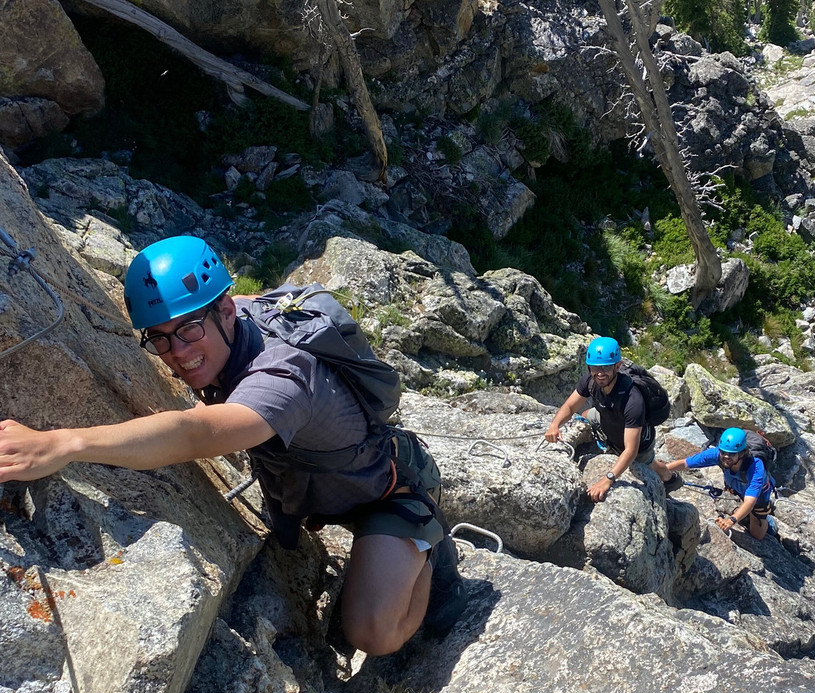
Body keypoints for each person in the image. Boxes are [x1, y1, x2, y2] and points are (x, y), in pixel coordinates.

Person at [0, 235, 464, 655]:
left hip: (388, 493)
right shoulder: (229, 316)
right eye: (159, 339)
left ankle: (431, 550)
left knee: (372, 635)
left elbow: (195, 433)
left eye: (188, 330)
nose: (178, 353)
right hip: (322, 485)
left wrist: (63, 443)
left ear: (225, 313)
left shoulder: (283, 379)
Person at [544, 336, 680, 502]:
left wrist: (608, 479)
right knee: (586, 415)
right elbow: (571, 407)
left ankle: (670, 478)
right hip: (608, 418)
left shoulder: (632, 399)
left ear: (618, 366)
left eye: (606, 367)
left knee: (647, 463)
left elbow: (631, 450)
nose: (600, 373)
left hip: (637, 441)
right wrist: (554, 425)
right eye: (595, 368)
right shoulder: (590, 380)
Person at [665, 427, 775, 539]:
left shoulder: (756, 468)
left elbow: (750, 502)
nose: (726, 457)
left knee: (758, 535)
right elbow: (685, 464)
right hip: (735, 486)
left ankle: (770, 523)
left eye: (731, 454)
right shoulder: (717, 454)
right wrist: (663, 470)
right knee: (732, 507)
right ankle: (744, 514)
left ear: (742, 453)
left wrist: (732, 520)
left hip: (759, 494)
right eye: (723, 452)